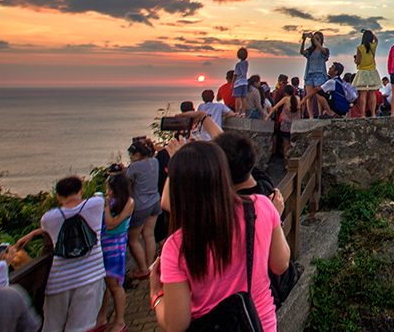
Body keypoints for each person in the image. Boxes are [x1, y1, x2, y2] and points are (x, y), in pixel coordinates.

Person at [149, 141, 290, 332]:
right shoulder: (261, 207)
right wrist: (275, 220)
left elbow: (176, 325)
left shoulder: (177, 246)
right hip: (259, 324)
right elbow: (280, 265)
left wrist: (156, 295)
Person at [14, 176, 105, 332]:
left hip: (60, 280)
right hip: (91, 276)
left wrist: (32, 234)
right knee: (80, 328)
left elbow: (51, 227)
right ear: (81, 190)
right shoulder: (96, 204)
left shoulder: (49, 217)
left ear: (58, 196)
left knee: (52, 327)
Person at [96, 168, 133, 332]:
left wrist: (104, 207)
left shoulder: (128, 202)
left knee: (115, 285)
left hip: (115, 249)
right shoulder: (118, 202)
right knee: (106, 284)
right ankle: (101, 318)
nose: (107, 191)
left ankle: (119, 322)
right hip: (104, 248)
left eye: (108, 188)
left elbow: (111, 224)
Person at [126, 137, 160, 280]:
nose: (131, 158)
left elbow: (127, 183)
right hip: (155, 201)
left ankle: (142, 269)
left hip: (141, 205)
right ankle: (150, 265)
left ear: (138, 155)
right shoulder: (154, 162)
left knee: (133, 239)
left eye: (132, 155)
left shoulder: (134, 167)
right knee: (149, 234)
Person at [300, 31, 330, 118]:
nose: (315, 40)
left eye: (317, 38)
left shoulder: (324, 51)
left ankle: (320, 114)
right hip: (310, 74)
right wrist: (303, 41)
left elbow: (323, 50)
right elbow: (302, 52)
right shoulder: (310, 51)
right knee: (309, 96)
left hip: (320, 75)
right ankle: (310, 116)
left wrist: (315, 40)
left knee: (319, 95)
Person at [352, 30, 381, 118]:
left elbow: (358, 61)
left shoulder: (360, 48)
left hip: (362, 72)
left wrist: (355, 61)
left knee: (363, 94)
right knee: (372, 93)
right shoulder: (373, 46)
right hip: (372, 71)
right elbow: (377, 40)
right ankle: (373, 113)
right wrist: (372, 34)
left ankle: (362, 114)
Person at [267, 85, 300, 159]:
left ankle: (286, 163)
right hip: (295, 125)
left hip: (285, 126)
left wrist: (267, 118)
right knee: (294, 145)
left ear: (285, 92)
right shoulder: (298, 99)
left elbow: (274, 108)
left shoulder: (285, 99)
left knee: (286, 145)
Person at [233, 48, 249, 117]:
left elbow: (235, 74)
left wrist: (232, 84)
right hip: (244, 82)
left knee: (238, 98)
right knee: (243, 98)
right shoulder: (246, 63)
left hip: (238, 83)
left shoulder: (238, 64)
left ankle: (237, 112)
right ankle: (243, 113)